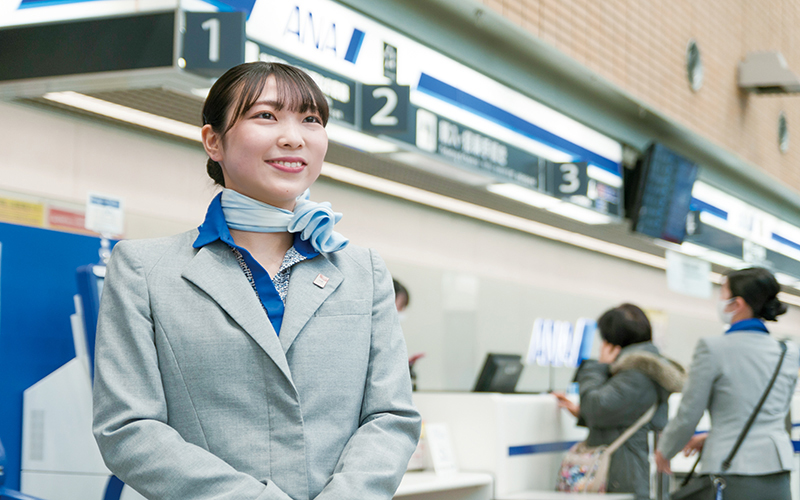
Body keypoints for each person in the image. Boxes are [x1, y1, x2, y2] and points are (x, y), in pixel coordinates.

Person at [92, 62, 421, 500]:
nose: (293, 136)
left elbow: (391, 415)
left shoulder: (363, 272)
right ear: (214, 141)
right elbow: (127, 428)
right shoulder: (144, 270)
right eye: (266, 115)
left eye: (311, 119)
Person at [656, 268, 799, 499]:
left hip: (732, 470)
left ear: (737, 303)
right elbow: (776, 413)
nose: (720, 300)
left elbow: (689, 413)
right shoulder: (787, 352)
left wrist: (665, 450)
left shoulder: (713, 348)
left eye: (723, 293)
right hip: (777, 470)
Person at [554, 304, 685, 499]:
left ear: (613, 341)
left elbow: (599, 408)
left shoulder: (637, 372)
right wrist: (582, 412)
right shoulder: (645, 369)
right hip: (634, 470)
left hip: (626, 473)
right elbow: (622, 413)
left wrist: (596, 368)